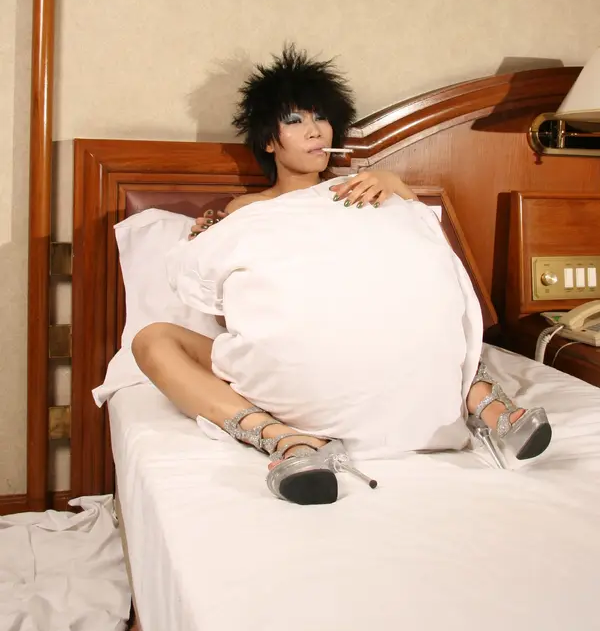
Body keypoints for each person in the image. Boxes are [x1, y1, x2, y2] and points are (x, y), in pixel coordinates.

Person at [132, 45, 552, 505]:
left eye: (322, 118)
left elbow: (426, 266)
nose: (315, 130)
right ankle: (282, 436)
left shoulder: (365, 190)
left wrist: (399, 190)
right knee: (151, 340)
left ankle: (487, 405)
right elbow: (239, 318)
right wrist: (205, 241)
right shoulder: (244, 211)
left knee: (421, 306)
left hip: (388, 330)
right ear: (269, 141)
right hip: (295, 346)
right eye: (295, 120)